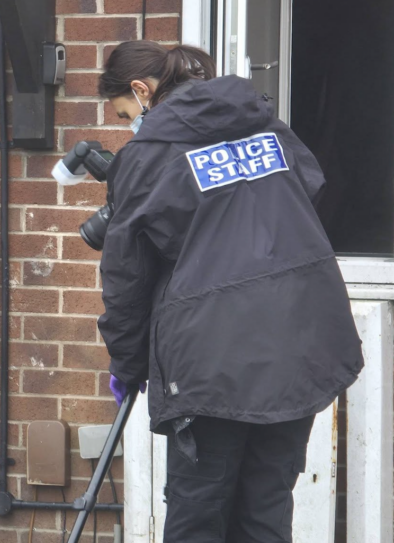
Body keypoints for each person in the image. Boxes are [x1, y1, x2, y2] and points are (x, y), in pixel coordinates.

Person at [96, 41, 363, 542]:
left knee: (199, 515)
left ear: (141, 90)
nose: (130, 124)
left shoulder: (146, 155)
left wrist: (127, 365)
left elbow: (126, 281)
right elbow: (311, 188)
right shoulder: (264, 124)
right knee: (265, 511)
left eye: (125, 113)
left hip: (211, 362)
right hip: (298, 344)